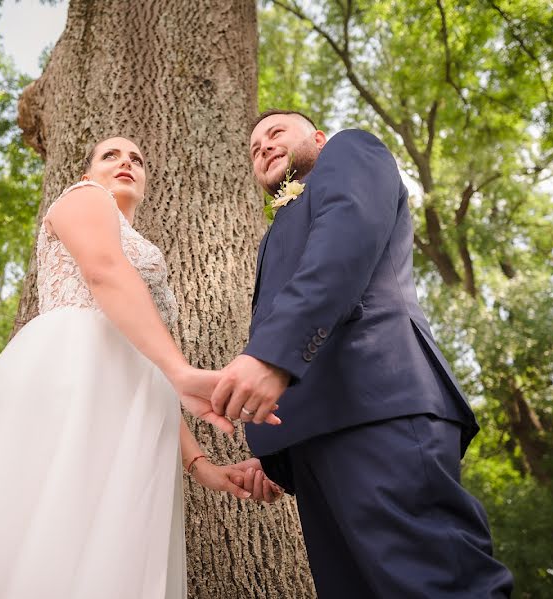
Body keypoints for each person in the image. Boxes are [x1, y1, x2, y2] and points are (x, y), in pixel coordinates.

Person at [0, 136, 280, 599]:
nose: (126, 162)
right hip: (70, 370)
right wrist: (182, 371)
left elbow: (145, 367)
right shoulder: (84, 197)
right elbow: (104, 270)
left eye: (137, 160)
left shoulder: (145, 250)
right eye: (111, 155)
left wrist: (200, 465)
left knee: (102, 548)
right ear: (89, 173)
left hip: (132, 407)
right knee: (39, 517)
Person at [211, 110, 515, 598]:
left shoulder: (352, 150)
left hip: (379, 401)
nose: (263, 146)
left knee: (436, 584)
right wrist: (275, 457)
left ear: (318, 138)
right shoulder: (272, 237)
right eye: (254, 147)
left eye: (276, 133)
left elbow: (343, 244)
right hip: (316, 441)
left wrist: (272, 357)